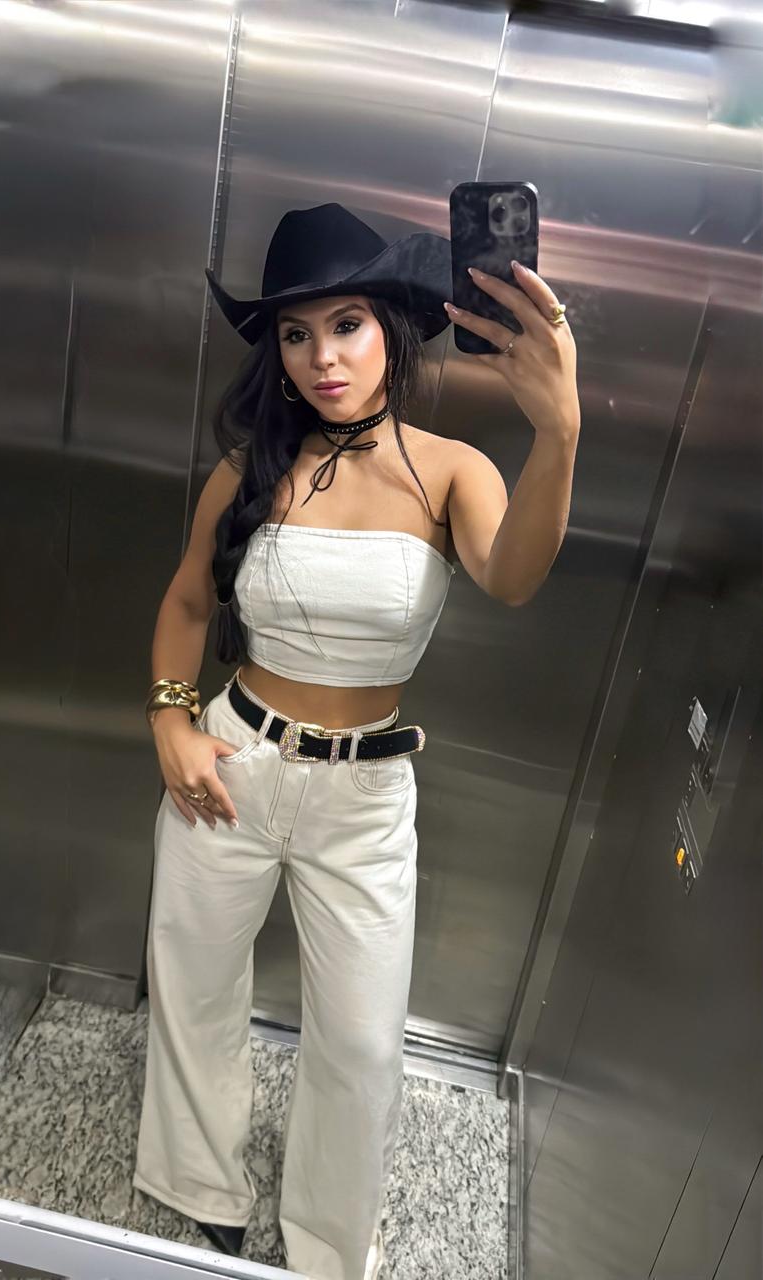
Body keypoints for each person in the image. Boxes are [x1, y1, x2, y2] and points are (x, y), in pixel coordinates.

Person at [132, 203, 580, 1280]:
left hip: (365, 797)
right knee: (191, 980)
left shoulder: (452, 471)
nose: (322, 358)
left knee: (363, 1038)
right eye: (296, 334)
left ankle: (330, 1243)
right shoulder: (249, 469)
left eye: (346, 325)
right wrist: (169, 719)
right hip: (231, 765)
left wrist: (559, 433)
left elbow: (514, 577)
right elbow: (188, 599)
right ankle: (199, 1185)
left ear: (390, 330)